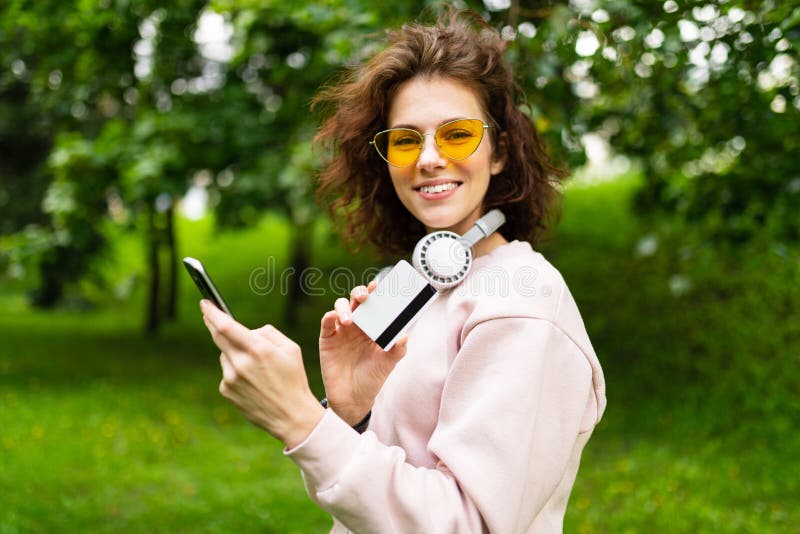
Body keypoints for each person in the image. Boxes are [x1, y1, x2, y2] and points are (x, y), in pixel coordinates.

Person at [200, 8, 606, 533]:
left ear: (499, 151)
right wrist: (352, 415)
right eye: (406, 140)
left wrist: (300, 418)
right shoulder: (417, 283)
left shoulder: (524, 305)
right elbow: (376, 502)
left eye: (457, 135)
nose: (429, 158)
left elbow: (466, 523)